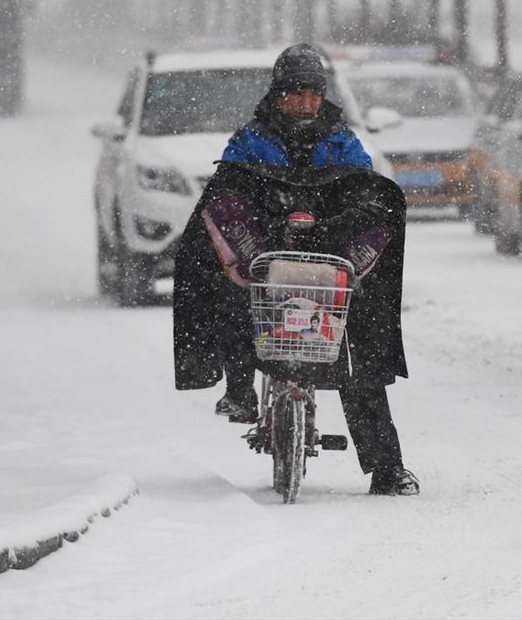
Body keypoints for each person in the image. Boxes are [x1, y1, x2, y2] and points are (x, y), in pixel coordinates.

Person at [173, 43, 419, 496]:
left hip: (328, 259)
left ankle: (387, 467)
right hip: (266, 258)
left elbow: (364, 190)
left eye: (313, 93)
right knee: (226, 296)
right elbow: (227, 195)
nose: (305, 103)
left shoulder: (341, 139)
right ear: (278, 93)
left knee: (357, 352)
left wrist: (338, 225)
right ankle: (240, 389)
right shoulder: (251, 139)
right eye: (295, 93)